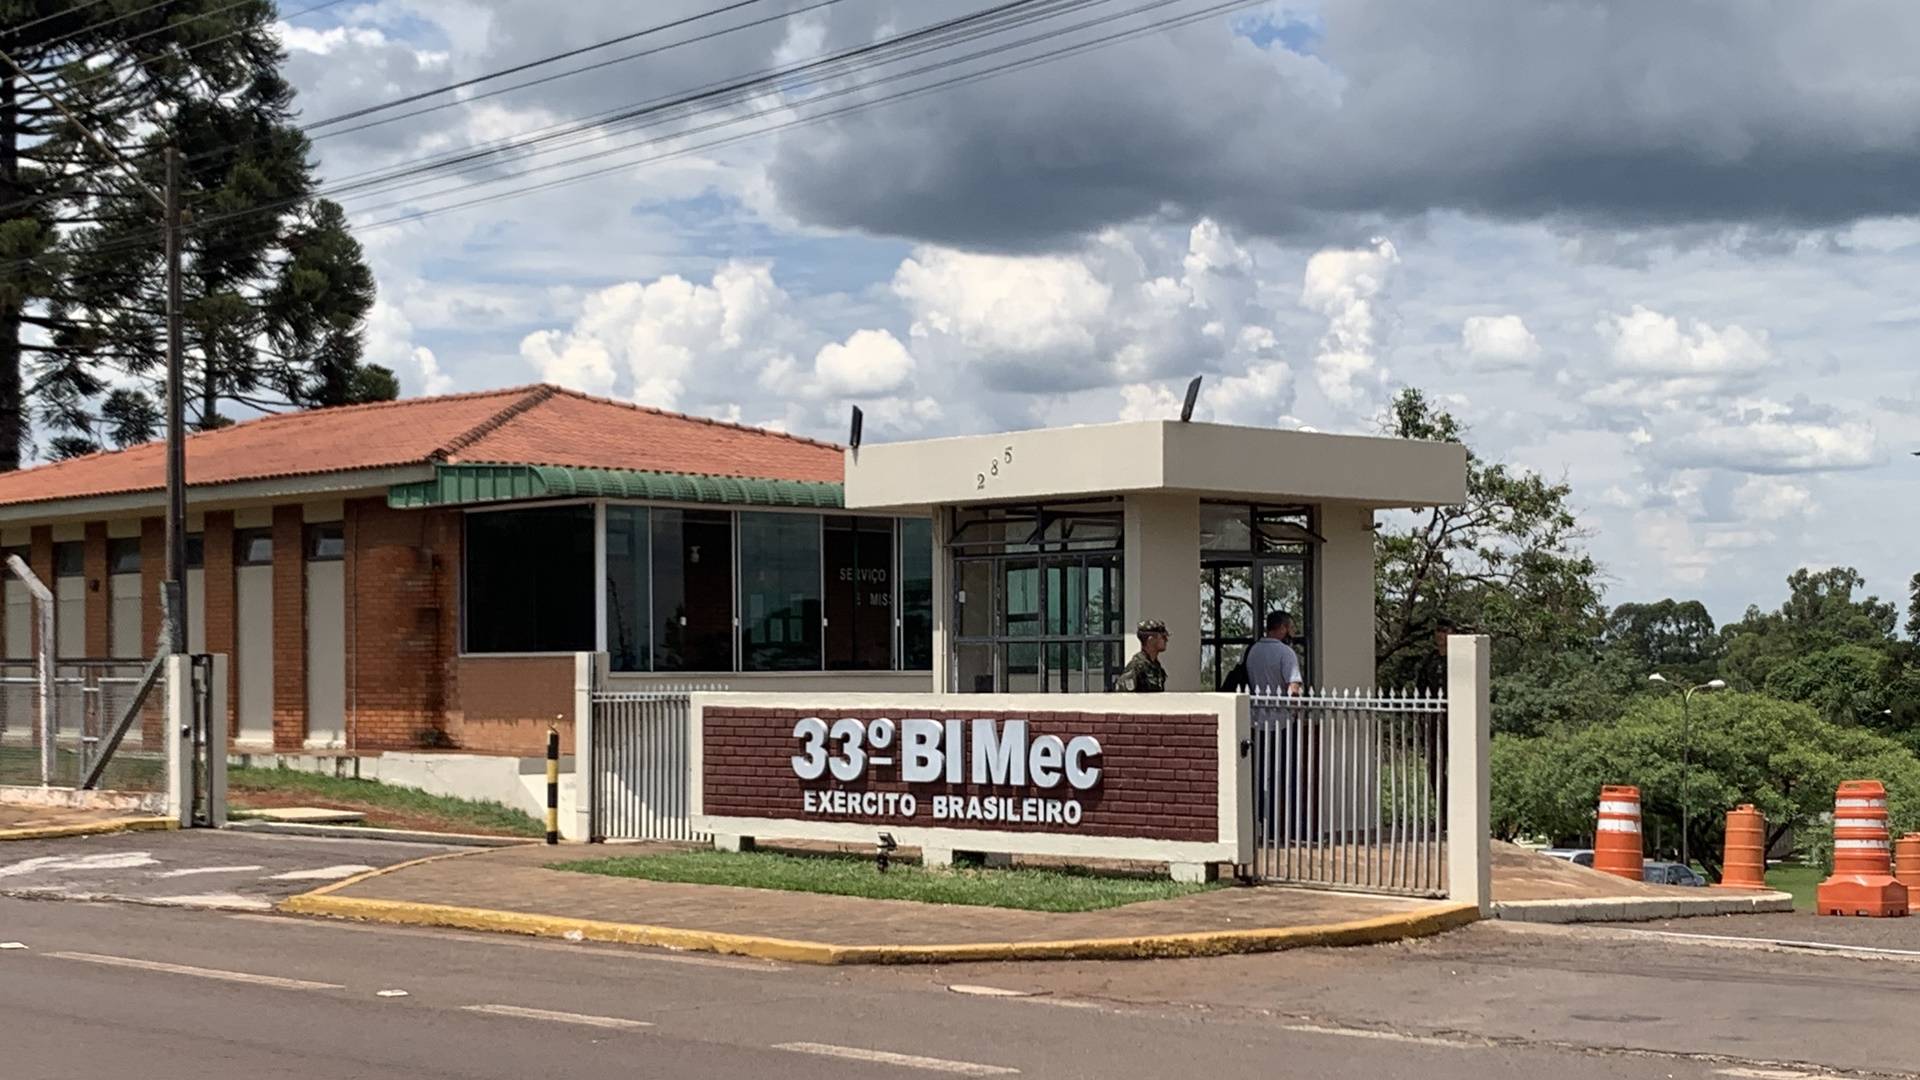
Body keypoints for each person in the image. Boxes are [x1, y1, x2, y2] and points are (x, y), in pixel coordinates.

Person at [1245, 610, 1304, 696]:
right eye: (1291, 628)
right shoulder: (1286, 652)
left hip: (1255, 707)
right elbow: (1293, 689)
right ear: (1282, 627)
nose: (1293, 633)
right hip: (1279, 708)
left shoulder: (1252, 650)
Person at [1115, 619, 1169, 692]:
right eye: (1163, 637)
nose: (1166, 640)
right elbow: (1125, 697)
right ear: (1151, 640)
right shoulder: (1136, 667)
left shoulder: (1156, 667)